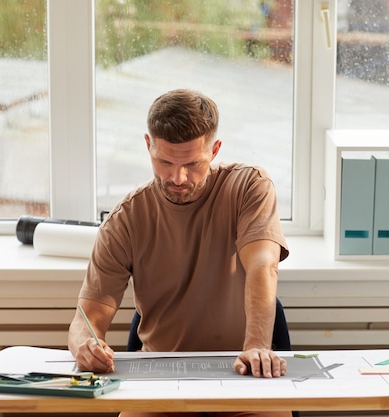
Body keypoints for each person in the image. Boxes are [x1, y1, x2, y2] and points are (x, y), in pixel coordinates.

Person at [68, 89, 291, 417]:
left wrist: (257, 346)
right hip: (159, 383)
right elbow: (85, 319)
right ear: (148, 146)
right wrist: (85, 345)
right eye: (164, 162)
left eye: (192, 164)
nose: (177, 177)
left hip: (243, 374)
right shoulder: (126, 219)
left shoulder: (249, 187)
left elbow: (263, 265)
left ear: (214, 150)